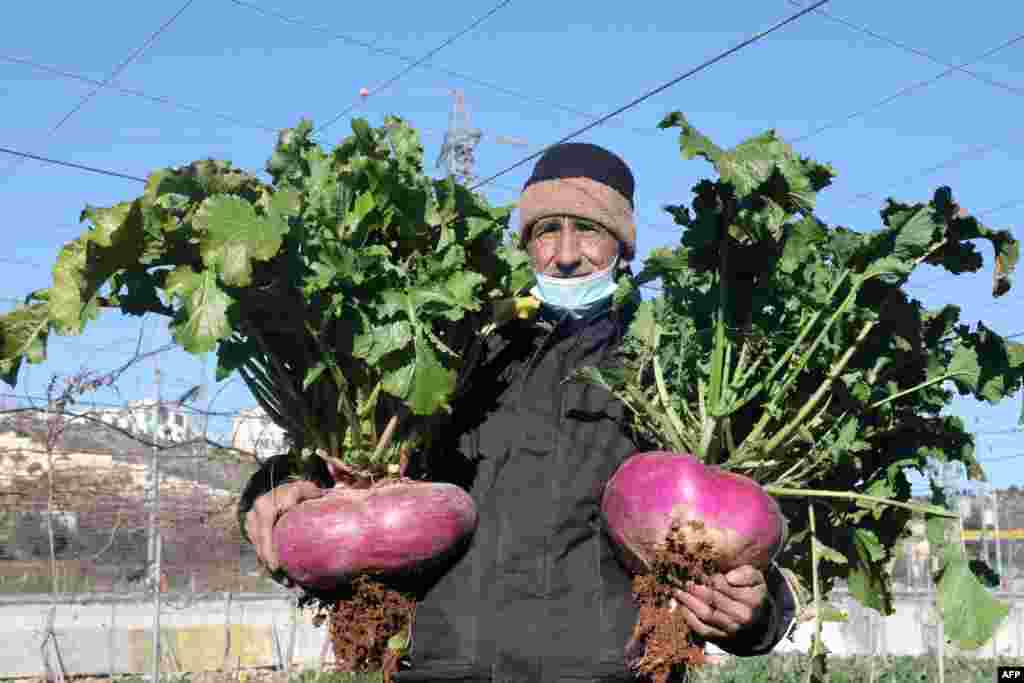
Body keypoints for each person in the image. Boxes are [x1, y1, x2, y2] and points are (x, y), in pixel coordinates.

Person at [238, 142, 799, 682]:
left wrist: (757, 610)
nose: (567, 253)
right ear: (525, 243)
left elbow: (747, 521)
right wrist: (279, 486)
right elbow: (363, 470)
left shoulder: (670, 367)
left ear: (623, 247)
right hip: (442, 672)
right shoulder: (460, 346)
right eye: (547, 231)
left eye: (591, 230)